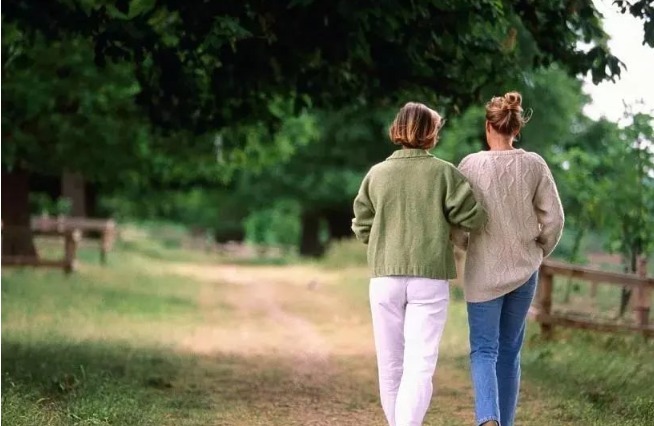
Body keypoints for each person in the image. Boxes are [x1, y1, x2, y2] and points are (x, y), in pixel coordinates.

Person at [352, 102, 487, 426]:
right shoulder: (444, 172)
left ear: (398, 128)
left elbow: (361, 226)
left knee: (390, 365)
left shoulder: (377, 174)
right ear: (431, 133)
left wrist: (388, 238)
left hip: (385, 276)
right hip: (429, 276)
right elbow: (474, 217)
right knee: (420, 364)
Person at [453, 92, 565, 426]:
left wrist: (462, 245)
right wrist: (539, 250)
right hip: (523, 272)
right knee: (510, 353)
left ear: (490, 127)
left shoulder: (470, 165)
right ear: (516, 129)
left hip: (482, 273)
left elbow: (456, 220)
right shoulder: (534, 164)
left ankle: (488, 417)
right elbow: (555, 219)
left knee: (484, 350)